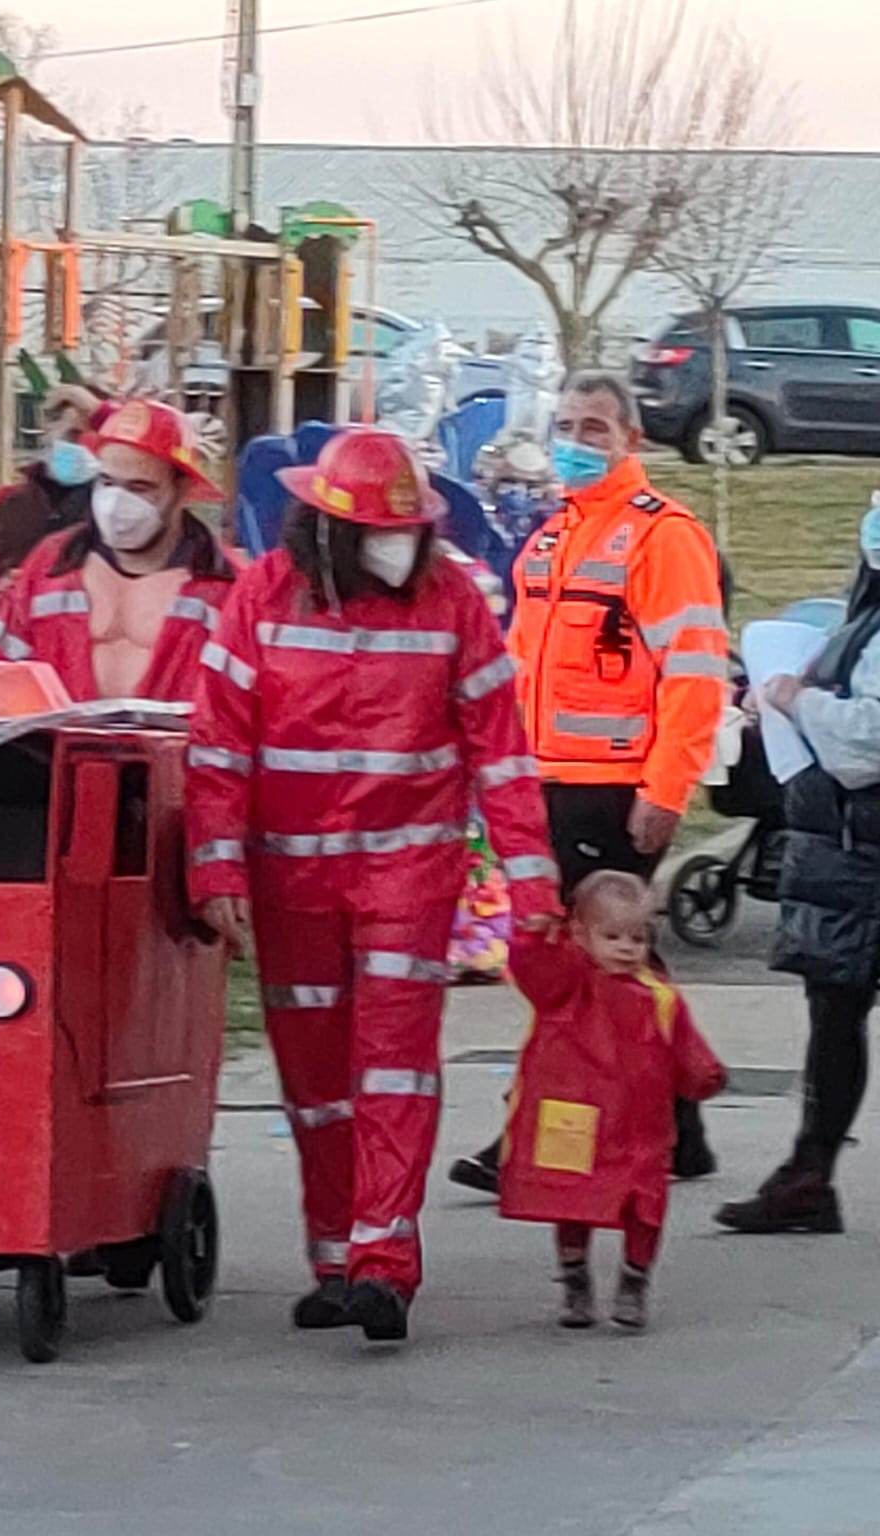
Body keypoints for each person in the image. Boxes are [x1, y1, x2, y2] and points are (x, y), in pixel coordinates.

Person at [185, 427, 561, 1343]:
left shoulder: (455, 601)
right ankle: (336, 1256)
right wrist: (217, 864)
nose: (401, 549)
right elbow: (218, 745)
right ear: (328, 531)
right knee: (316, 1083)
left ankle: (384, 1263)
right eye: (382, 533)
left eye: (411, 530)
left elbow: (500, 752)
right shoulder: (263, 598)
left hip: (406, 875)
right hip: (291, 880)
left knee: (392, 1070)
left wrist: (532, 886)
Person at [450, 370, 729, 1195]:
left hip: (613, 786)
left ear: (630, 440)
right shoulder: (552, 536)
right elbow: (519, 668)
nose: (576, 441)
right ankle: (678, 1119)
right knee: (609, 960)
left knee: (591, 960)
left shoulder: (662, 537)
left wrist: (667, 788)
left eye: (595, 428)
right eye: (567, 425)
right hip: (546, 780)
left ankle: (540, 1130)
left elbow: (696, 673)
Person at [716, 508, 880, 1235]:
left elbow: (866, 743)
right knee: (834, 1008)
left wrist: (795, 700)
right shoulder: (864, 618)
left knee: (837, 1009)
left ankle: (810, 1173)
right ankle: (809, 1174)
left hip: (859, 840)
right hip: (844, 845)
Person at [499, 873, 725, 1330]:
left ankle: (634, 1280)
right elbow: (531, 966)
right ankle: (575, 1278)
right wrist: (533, 931)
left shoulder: (660, 996)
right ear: (579, 934)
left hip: (640, 1127)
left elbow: (685, 1046)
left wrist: (704, 1075)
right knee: (572, 1200)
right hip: (576, 1118)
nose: (626, 947)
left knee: (644, 1203)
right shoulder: (567, 985)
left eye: (638, 938)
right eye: (612, 936)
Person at [0, 398, 234, 702]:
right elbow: (1, 673)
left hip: (175, 748)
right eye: (107, 482)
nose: (116, 504)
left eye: (139, 488)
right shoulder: (51, 563)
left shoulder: (228, 585)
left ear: (183, 490)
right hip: (55, 746)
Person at [0, 384, 104, 627]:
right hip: (20, 651)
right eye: (74, 435)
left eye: (96, 440)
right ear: (48, 429)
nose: (84, 448)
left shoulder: (116, 509)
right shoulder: (5, 505)